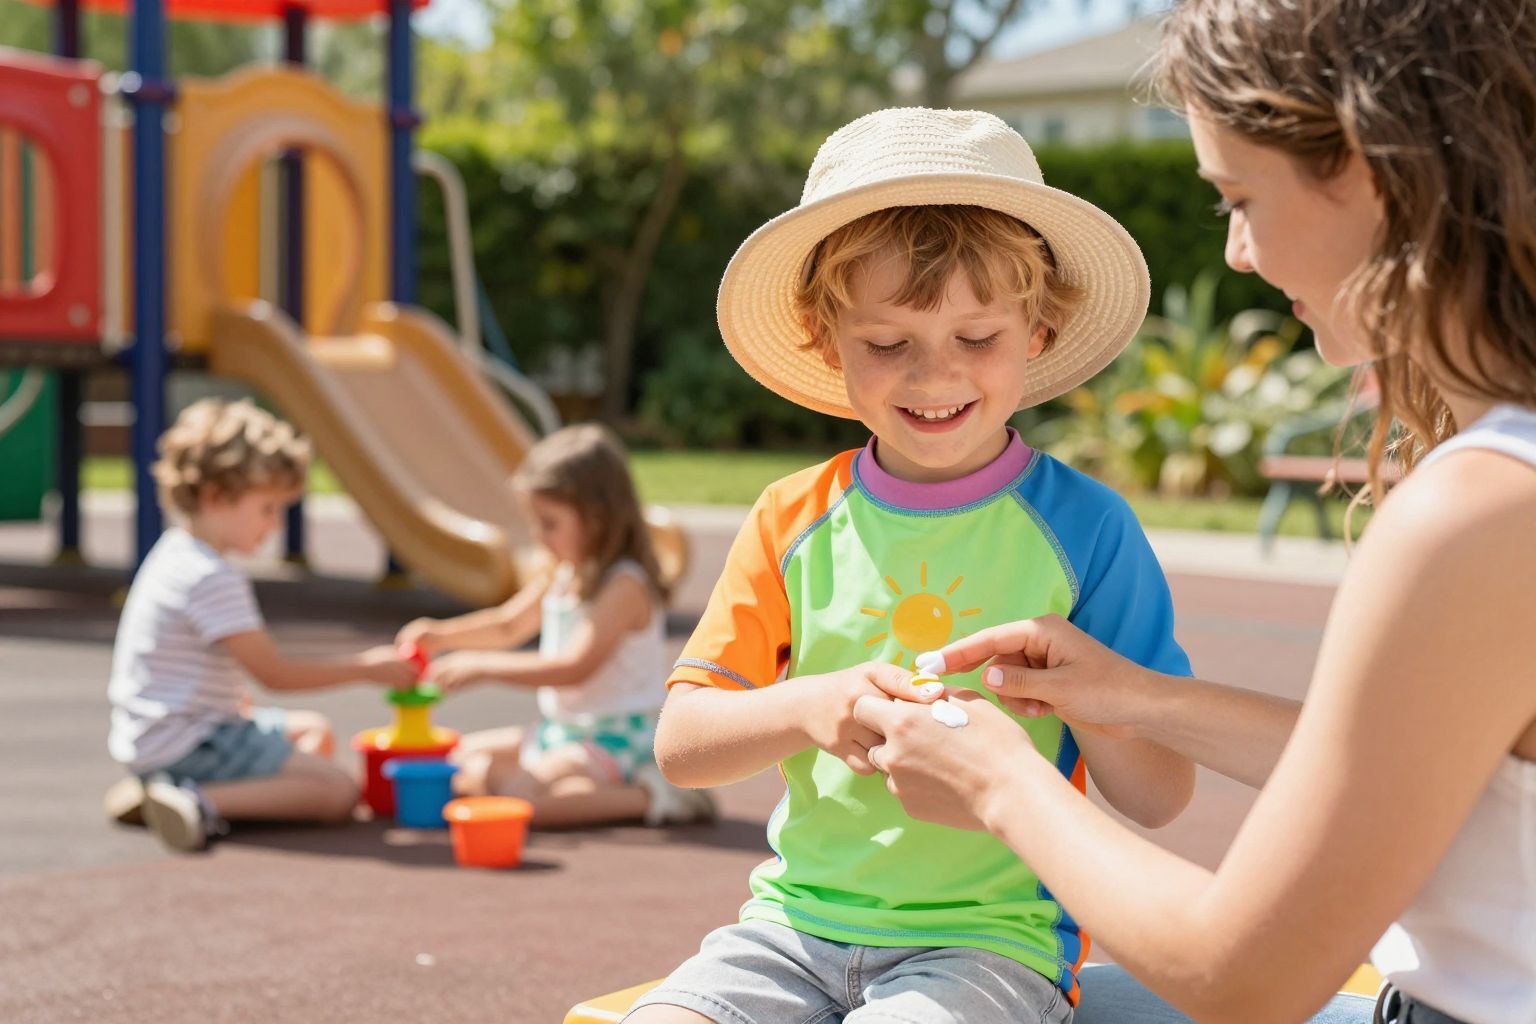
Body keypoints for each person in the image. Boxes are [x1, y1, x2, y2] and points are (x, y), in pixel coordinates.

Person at [849, 3, 1536, 1023]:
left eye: (1238, 198)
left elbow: (1240, 978)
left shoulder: (1475, 514)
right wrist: (1140, 698)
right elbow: (1405, 763)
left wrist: (997, 779)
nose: (1238, 253)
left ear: (1375, 171)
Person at [627, 107, 1198, 1024]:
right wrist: (810, 704)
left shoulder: (1088, 529)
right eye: (888, 344)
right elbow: (682, 746)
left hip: (994, 945)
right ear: (827, 341)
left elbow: (1161, 796)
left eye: (978, 338)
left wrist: (1088, 699)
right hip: (788, 931)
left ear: (1039, 330)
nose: (935, 377)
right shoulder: (789, 520)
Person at [106, 398, 418, 853]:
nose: (274, 526)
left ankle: (160, 790)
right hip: (191, 742)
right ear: (215, 496)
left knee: (313, 731)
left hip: (158, 737)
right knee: (338, 792)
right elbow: (276, 675)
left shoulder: (175, 551)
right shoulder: (212, 577)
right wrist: (366, 668)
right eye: (267, 509)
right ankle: (197, 800)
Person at [396, 424, 716, 828]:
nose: (539, 536)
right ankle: (577, 786)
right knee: (459, 762)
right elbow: (508, 625)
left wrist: (483, 668)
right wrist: (440, 634)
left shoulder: (624, 586)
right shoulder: (562, 571)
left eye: (550, 523)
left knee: (520, 800)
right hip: (564, 729)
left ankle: (653, 796)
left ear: (597, 518)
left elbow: (573, 667)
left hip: (619, 736)